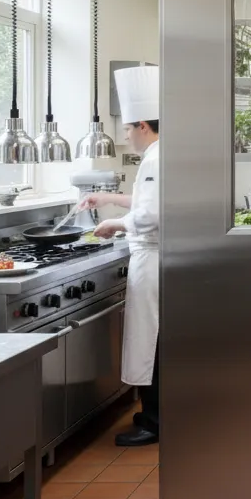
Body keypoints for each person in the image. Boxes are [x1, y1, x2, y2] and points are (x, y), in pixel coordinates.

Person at [78, 66, 161, 447]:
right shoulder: (160, 156)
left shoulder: (156, 158)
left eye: (128, 129)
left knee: (152, 341)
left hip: (153, 259)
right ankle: (155, 416)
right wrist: (108, 199)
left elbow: (149, 215)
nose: (126, 137)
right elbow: (148, 202)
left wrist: (115, 225)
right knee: (156, 340)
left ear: (143, 126)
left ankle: (154, 422)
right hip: (157, 258)